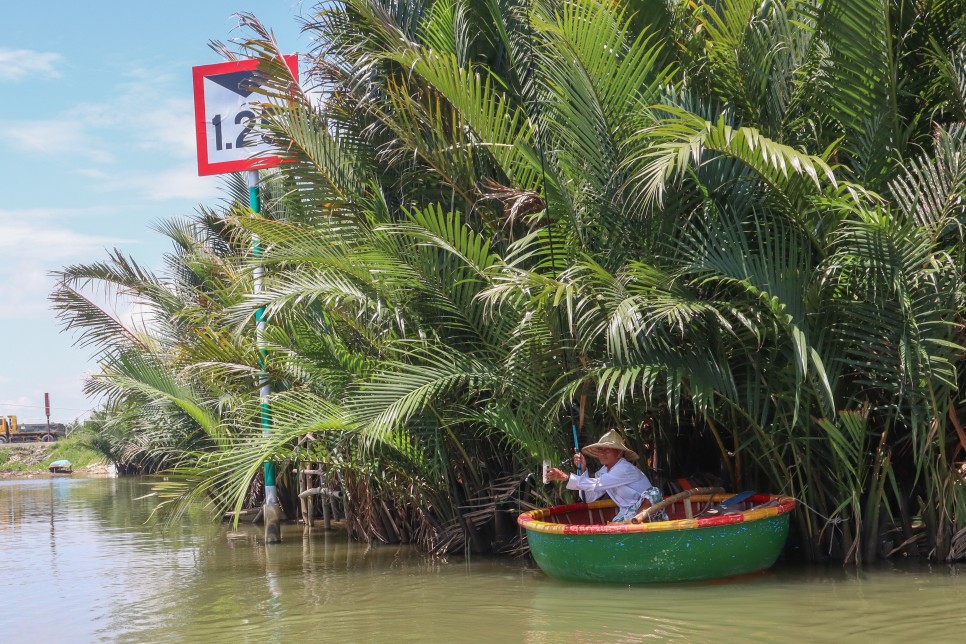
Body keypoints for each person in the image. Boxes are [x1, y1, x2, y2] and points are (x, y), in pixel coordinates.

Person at [545, 429, 666, 522]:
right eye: (600, 450)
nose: (602, 454)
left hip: (649, 513)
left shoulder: (623, 468)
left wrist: (565, 477)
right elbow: (589, 497)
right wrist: (582, 469)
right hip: (627, 514)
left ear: (619, 453)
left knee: (653, 493)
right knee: (615, 525)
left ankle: (636, 524)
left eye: (607, 450)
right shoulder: (603, 471)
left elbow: (597, 484)